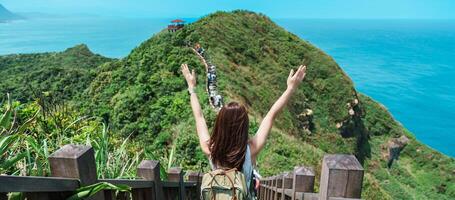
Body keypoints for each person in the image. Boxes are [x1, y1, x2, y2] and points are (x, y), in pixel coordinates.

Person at [181, 63, 307, 198]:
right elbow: (271, 115)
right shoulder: (251, 149)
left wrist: (192, 88)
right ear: (244, 126)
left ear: (220, 124)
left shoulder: (210, 149)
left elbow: (199, 117)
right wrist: (290, 88)